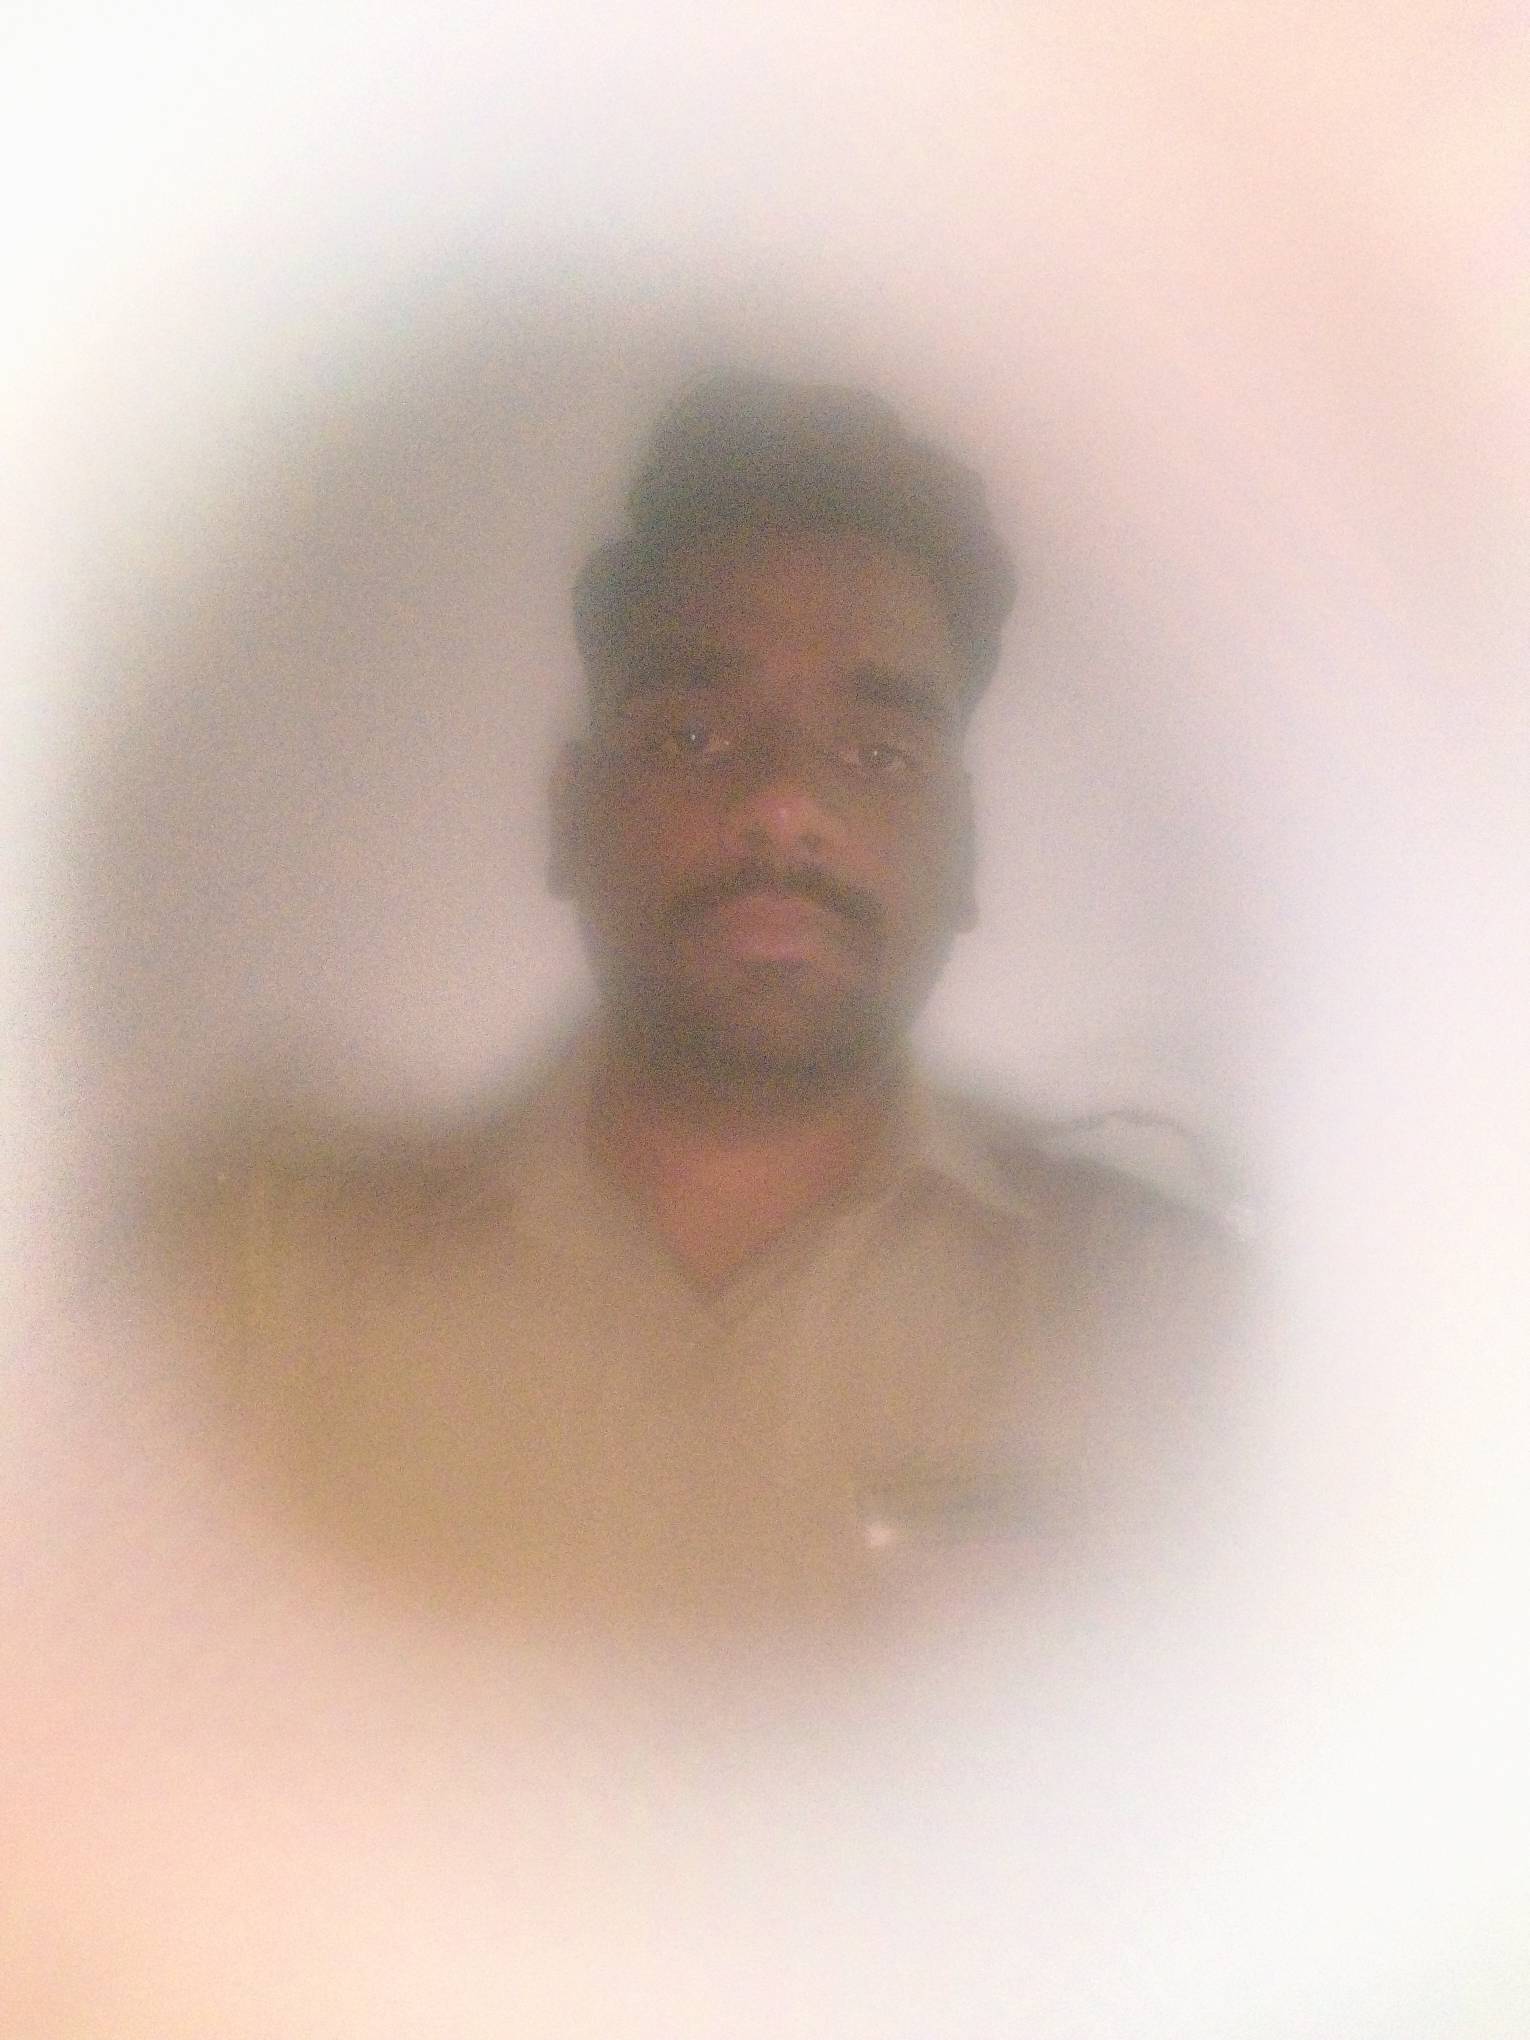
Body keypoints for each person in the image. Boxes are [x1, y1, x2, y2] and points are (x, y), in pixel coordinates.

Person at [151, 373, 1244, 1645]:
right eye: (690, 737)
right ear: (570, 817)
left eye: (877, 753)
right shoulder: (263, 1301)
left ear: (966, 852)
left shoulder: (1170, 1330)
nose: (783, 803)